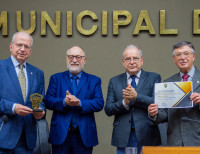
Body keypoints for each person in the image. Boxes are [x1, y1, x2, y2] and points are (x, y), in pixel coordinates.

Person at [45, 46, 104, 154]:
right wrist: (64, 102)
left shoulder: (94, 80)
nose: (74, 60)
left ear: (84, 60)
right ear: (66, 59)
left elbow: (99, 103)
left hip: (84, 135)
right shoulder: (56, 78)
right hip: (60, 134)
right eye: (71, 57)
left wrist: (80, 103)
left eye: (78, 57)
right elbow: (48, 100)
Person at [104, 45, 161, 154]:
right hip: (123, 136)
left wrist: (136, 97)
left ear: (141, 60)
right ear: (123, 62)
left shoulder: (154, 77)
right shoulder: (114, 81)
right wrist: (124, 103)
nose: (132, 62)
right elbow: (108, 109)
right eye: (128, 59)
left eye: (135, 58)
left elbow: (158, 102)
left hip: (147, 133)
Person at [0, 31, 45, 153]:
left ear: (30, 50)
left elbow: (40, 100)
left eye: (26, 46)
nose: (22, 49)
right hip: (3, 136)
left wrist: (40, 111)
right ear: (11, 46)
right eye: (19, 45)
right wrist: (13, 108)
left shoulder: (38, 73)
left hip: (27, 140)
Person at [148, 41, 200, 146]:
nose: (182, 57)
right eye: (178, 54)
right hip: (174, 141)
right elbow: (164, 113)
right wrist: (154, 113)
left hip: (197, 139)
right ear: (174, 59)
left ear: (193, 56)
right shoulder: (168, 82)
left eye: (186, 53)